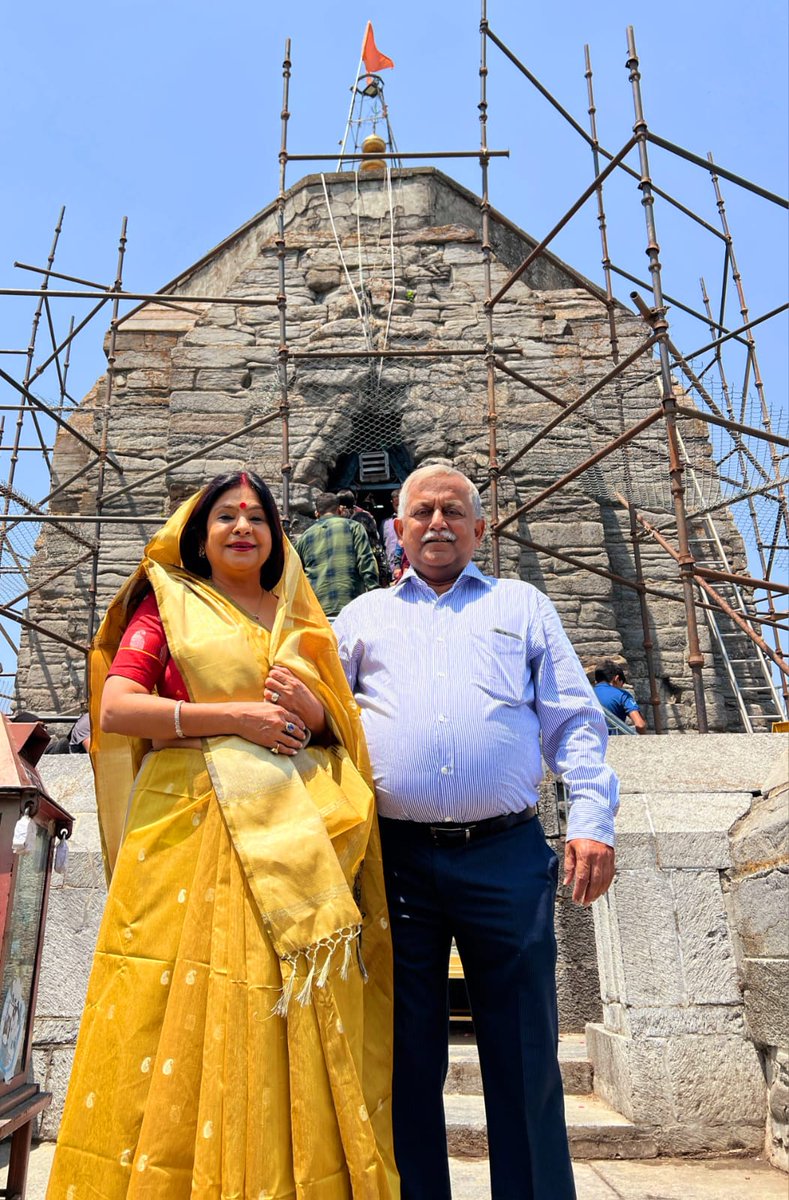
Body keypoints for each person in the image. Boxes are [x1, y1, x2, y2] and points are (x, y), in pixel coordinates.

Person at [47, 470, 397, 1199]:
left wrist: (320, 709)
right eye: (226, 517)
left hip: (295, 838)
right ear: (198, 536)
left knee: (285, 1003)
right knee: (171, 1000)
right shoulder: (168, 601)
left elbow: (339, 728)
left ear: (277, 536)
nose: (243, 527)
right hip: (187, 828)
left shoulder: (299, 615)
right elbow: (118, 707)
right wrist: (234, 717)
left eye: (257, 518)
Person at [333, 464, 619, 1200]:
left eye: (453, 511)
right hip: (392, 862)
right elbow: (324, 726)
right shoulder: (361, 617)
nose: (436, 523)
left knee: (524, 1047)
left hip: (505, 853)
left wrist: (590, 821)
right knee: (404, 1051)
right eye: (421, 511)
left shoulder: (522, 605)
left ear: (478, 528)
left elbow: (573, 721)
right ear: (396, 529)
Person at [295, 491, 379, 617]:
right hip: (351, 604)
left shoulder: (304, 537)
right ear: (339, 510)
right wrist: (375, 594)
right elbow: (366, 562)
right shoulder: (354, 527)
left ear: (317, 514)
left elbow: (296, 574)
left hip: (318, 610)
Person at [593, 659, 647, 734]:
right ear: (616, 678)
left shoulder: (585, 694)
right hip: (612, 742)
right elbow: (640, 725)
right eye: (621, 685)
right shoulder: (622, 695)